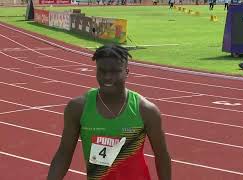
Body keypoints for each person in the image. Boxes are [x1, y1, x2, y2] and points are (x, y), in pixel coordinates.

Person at [47, 44, 171, 180]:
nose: (107, 77)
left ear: (127, 72)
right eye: (102, 71)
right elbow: (64, 154)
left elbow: (162, 156)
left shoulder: (146, 110)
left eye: (115, 71)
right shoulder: (78, 108)